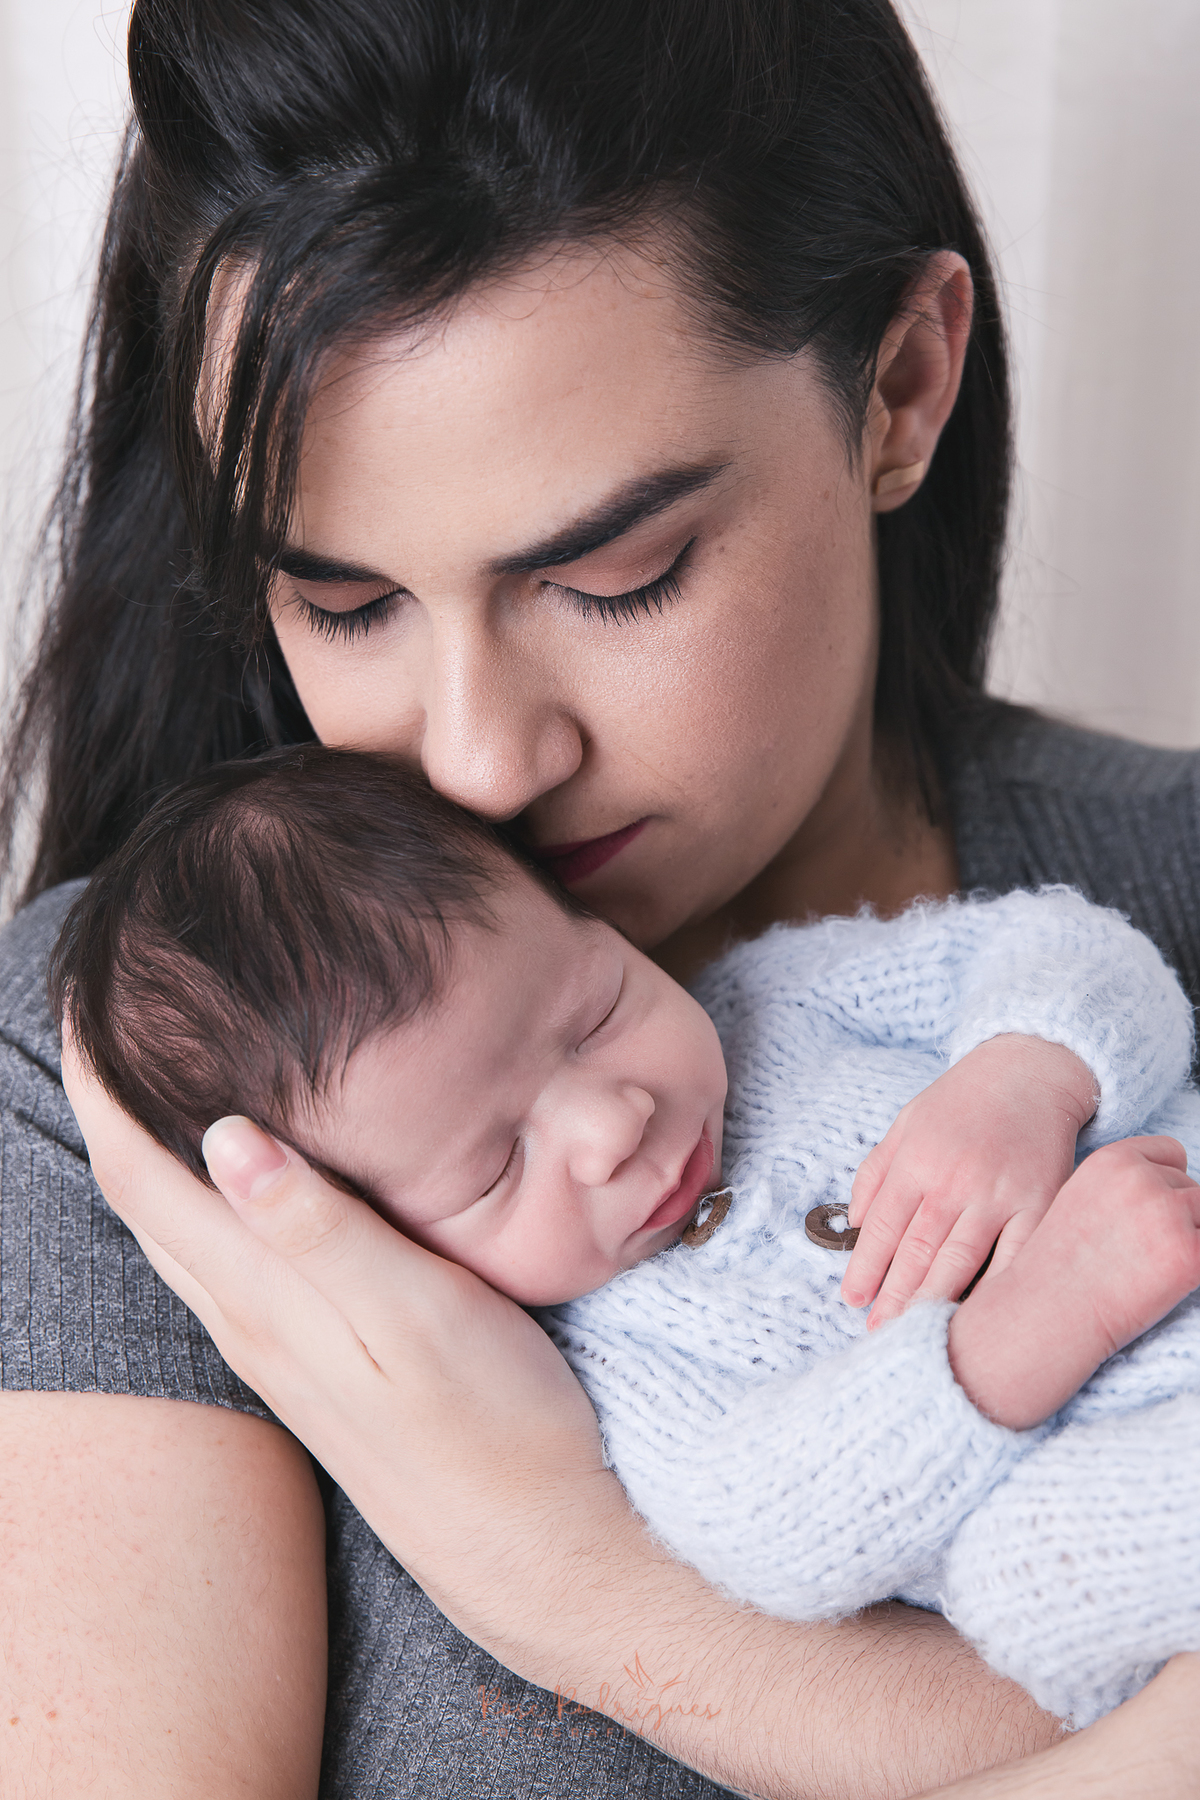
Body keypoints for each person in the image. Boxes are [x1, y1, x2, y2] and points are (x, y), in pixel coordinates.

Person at [3, 0, 1200, 1793]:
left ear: (900, 385)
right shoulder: (167, 1083)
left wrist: (554, 1568)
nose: (478, 762)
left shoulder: (1136, 904)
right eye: (342, 606)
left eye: (617, 576)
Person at [52, 744, 1200, 1731]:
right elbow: (774, 1526)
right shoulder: (609, 1364)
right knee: (1029, 1584)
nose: (612, 1123)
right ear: (377, 1244)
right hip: (1122, 1482)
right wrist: (1027, 1332)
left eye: (596, 1011)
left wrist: (1023, 1074)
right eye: (497, 1164)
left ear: (589, 924)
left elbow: (1058, 948)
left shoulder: (778, 1000)